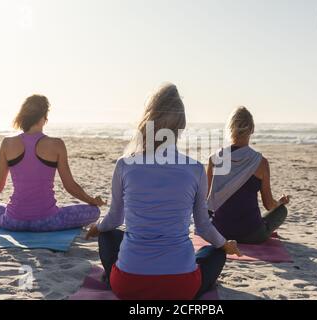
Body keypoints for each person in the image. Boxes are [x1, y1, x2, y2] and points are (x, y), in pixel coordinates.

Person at [86, 83, 241, 300]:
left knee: (107, 235)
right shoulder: (195, 169)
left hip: (128, 285)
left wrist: (97, 227)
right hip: (181, 287)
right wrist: (225, 244)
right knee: (216, 252)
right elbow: (203, 227)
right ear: (181, 126)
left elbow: (113, 218)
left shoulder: (125, 165)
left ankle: (112, 276)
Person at [0, 95, 104, 232]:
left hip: (13, 221)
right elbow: (70, 186)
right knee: (94, 212)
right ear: (43, 117)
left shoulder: (7, 143)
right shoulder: (57, 144)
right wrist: (91, 200)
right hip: (47, 221)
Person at [207, 106, 290, 244]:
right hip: (252, 235)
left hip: (220, 233)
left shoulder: (214, 159)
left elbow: (205, 199)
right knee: (281, 211)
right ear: (252, 129)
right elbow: (269, 205)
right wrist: (280, 203)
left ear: (230, 128)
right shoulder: (260, 162)